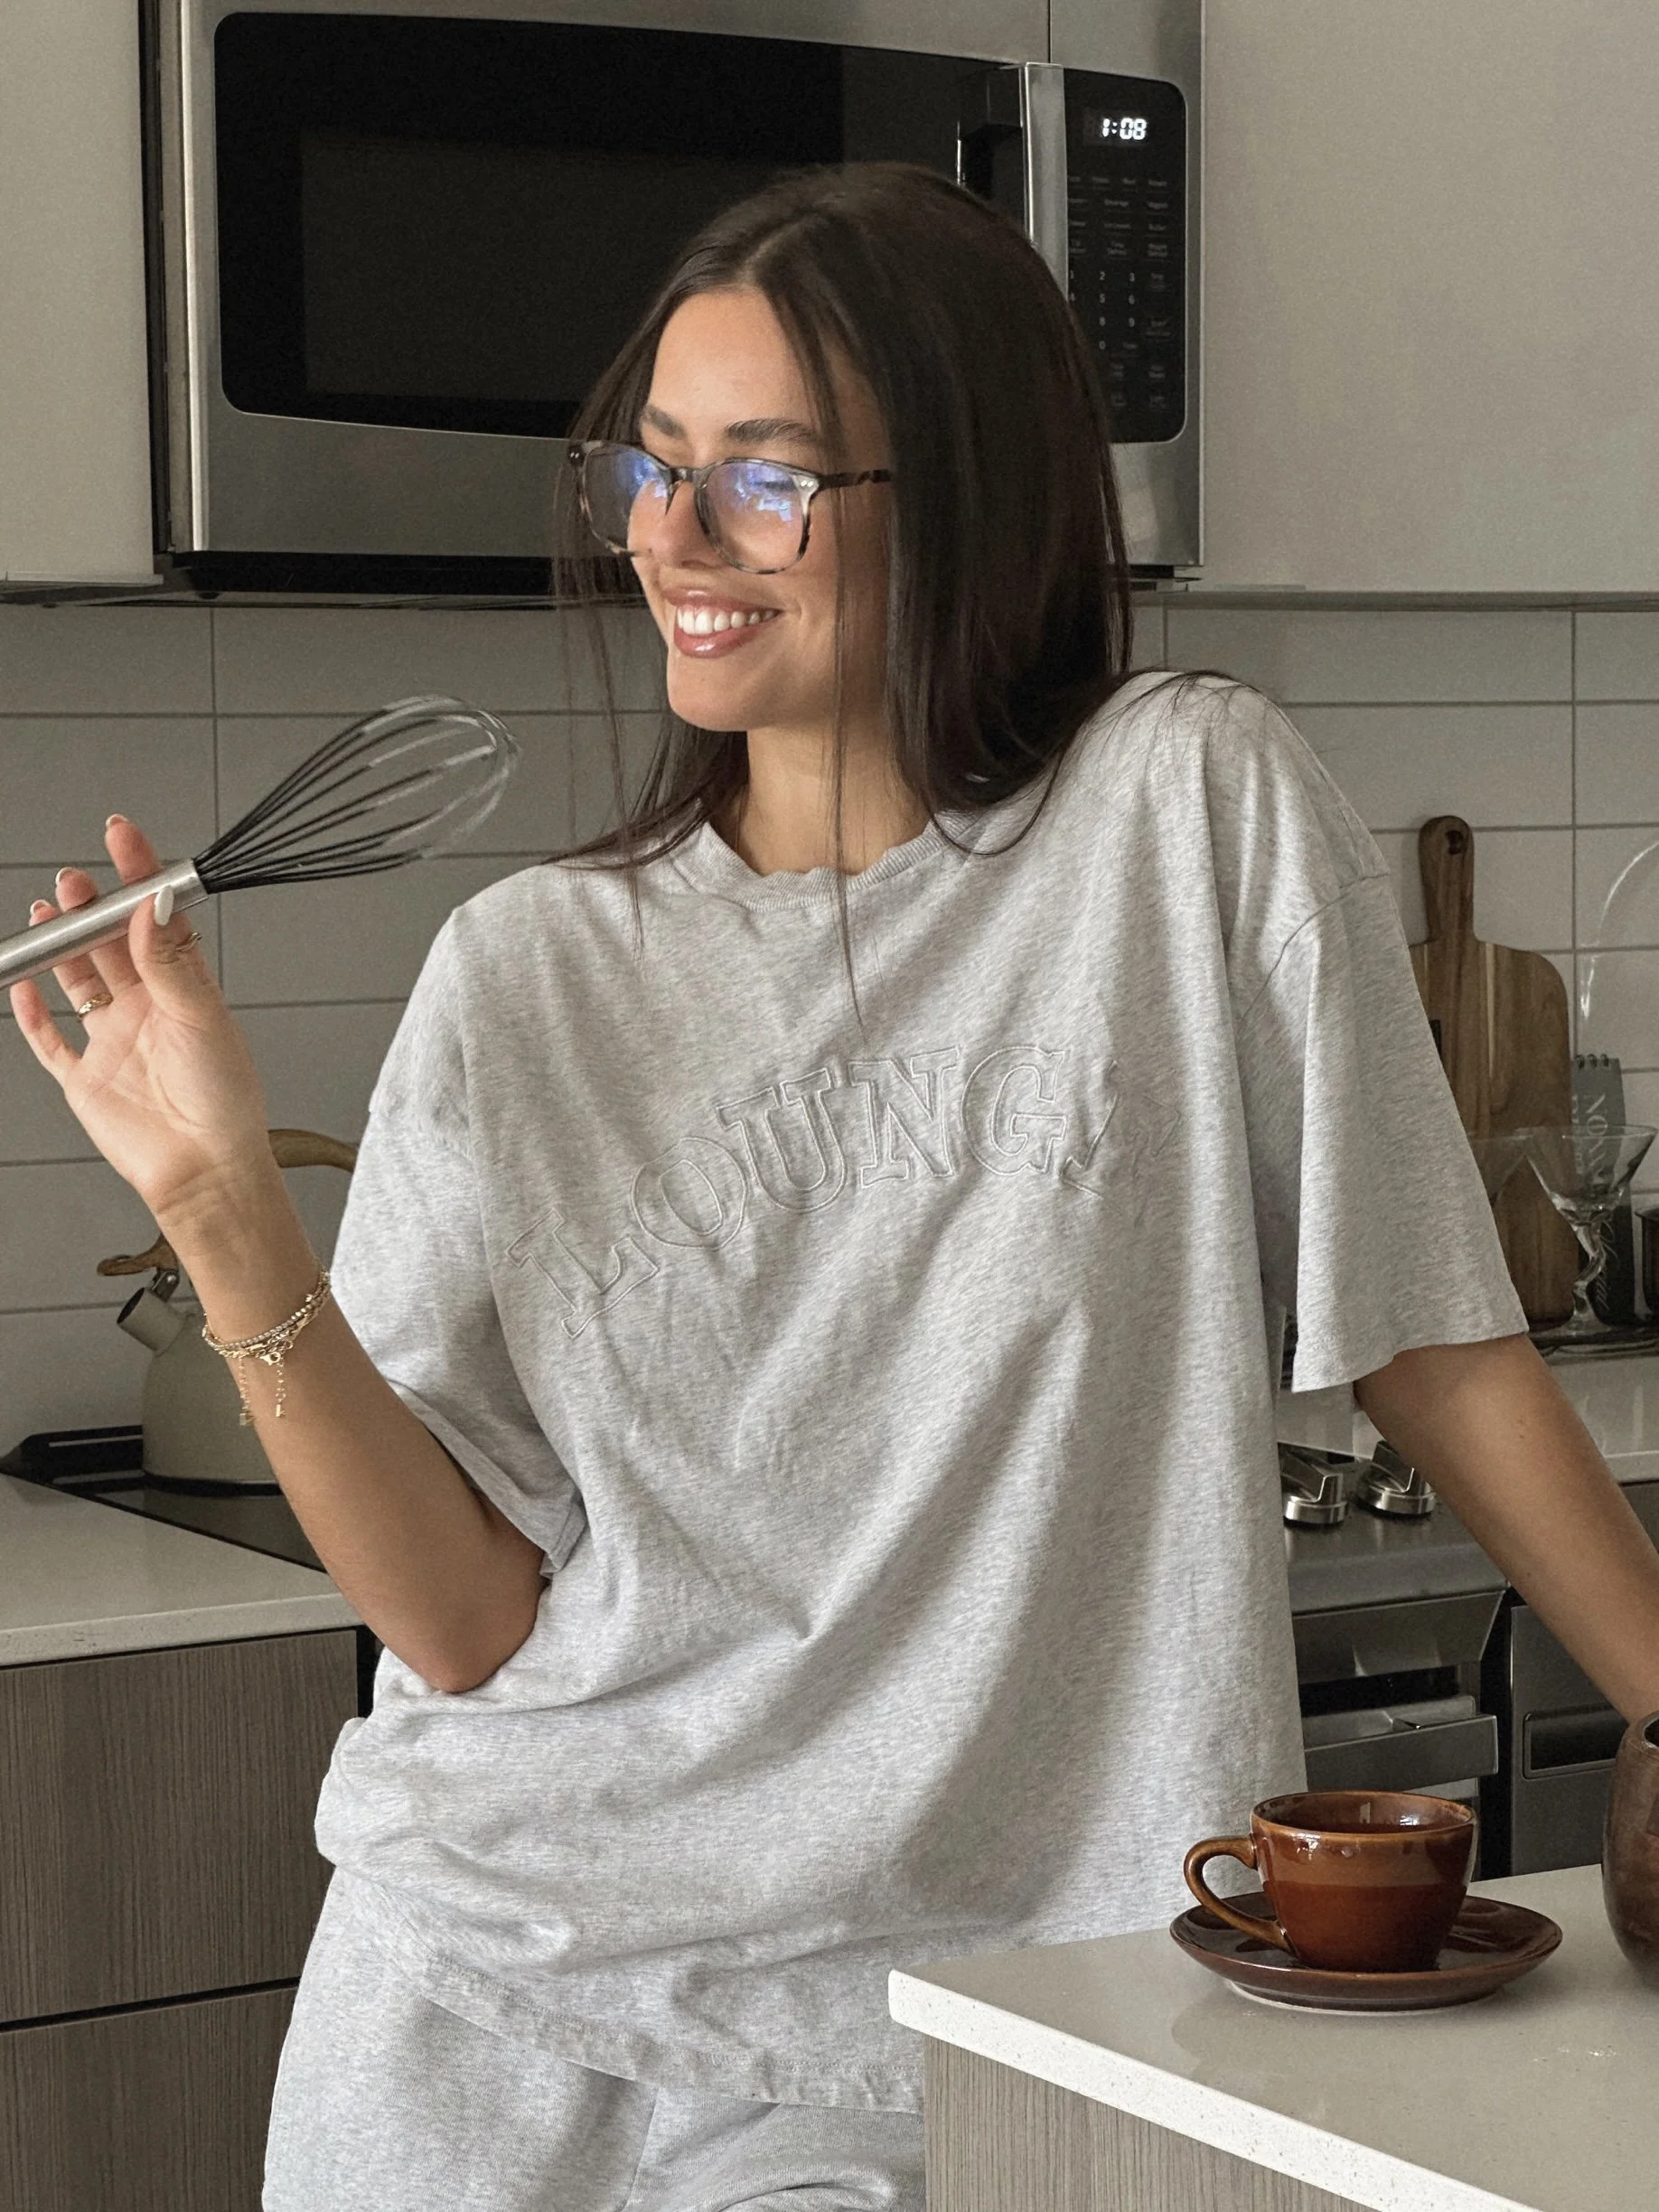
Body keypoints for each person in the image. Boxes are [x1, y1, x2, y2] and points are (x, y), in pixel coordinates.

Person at [13, 163, 1659, 2212]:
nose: (674, 539)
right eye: (652, 464)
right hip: (481, 2010)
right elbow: (458, 1621)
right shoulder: (525, 974)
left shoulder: (1182, 812)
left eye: (764, 480)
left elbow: (1430, 1343)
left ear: (962, 494)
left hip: (980, 2022)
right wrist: (217, 1200)